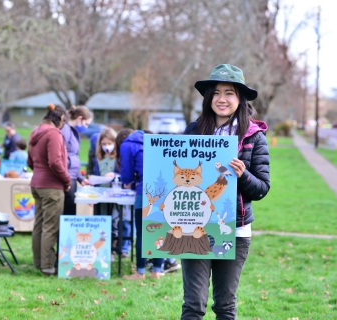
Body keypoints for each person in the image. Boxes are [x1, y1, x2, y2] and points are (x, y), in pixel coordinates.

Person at [180, 64, 270, 319]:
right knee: (193, 305)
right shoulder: (193, 131)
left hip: (236, 230)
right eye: (217, 92)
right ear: (209, 98)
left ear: (239, 98)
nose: (222, 99)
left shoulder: (254, 137)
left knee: (225, 306)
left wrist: (243, 175)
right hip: (194, 226)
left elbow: (262, 189)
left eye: (229, 92)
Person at [27, 104, 71, 276]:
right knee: (50, 227)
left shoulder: (35, 133)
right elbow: (55, 162)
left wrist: (39, 171)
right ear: (60, 119)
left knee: (38, 225)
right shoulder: (54, 134)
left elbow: (30, 162)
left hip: (37, 184)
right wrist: (66, 179)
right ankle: (47, 266)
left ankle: (38, 262)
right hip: (52, 186)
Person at [116, 128, 165, 279]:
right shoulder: (153, 140)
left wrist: (127, 182)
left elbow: (126, 172)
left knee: (142, 232)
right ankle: (157, 270)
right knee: (160, 230)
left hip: (144, 190)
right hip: (164, 189)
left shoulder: (127, 145)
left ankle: (140, 272)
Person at [95, 127, 131, 258]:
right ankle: (107, 249)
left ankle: (123, 248)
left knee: (123, 220)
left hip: (118, 193)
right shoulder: (98, 159)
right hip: (103, 194)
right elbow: (95, 173)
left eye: (109, 143)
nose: (106, 147)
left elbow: (124, 173)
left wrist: (115, 174)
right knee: (106, 221)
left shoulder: (118, 158)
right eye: (103, 144)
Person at [60, 105, 91, 215]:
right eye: (86, 124)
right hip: (67, 178)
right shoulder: (65, 130)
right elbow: (61, 156)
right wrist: (66, 179)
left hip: (72, 177)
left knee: (70, 211)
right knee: (67, 213)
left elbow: (72, 158)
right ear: (79, 118)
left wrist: (79, 177)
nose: (86, 128)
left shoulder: (74, 132)